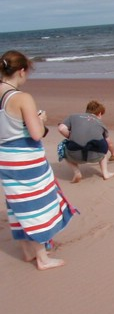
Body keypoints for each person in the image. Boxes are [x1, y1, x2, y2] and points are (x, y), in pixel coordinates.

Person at [0, 50, 77, 270]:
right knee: (36, 204)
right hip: (26, 159)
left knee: (17, 204)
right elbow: (36, 133)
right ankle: (42, 257)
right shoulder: (21, 97)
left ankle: (27, 252)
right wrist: (40, 120)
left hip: (6, 158)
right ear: (21, 71)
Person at [58, 100, 114, 183]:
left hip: (75, 155)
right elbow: (109, 143)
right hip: (95, 156)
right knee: (103, 142)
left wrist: (70, 136)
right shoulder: (101, 124)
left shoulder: (73, 116)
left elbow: (61, 128)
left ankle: (77, 172)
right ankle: (105, 173)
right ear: (100, 113)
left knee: (62, 146)